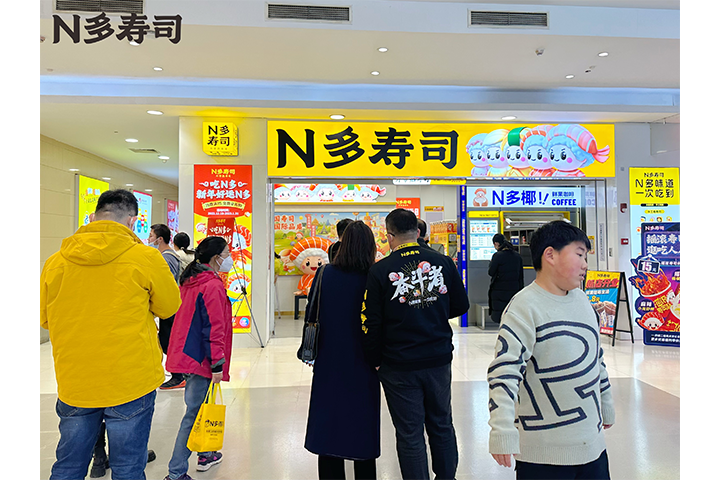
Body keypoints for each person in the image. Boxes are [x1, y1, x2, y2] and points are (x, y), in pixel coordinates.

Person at [41, 189, 181, 480]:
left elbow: (45, 319)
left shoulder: (56, 261)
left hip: (76, 379)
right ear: (132, 221)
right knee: (128, 468)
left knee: (68, 466)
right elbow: (169, 307)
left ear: (93, 217)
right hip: (131, 378)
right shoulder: (146, 257)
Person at [487, 220, 615, 479]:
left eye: (586, 257)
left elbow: (596, 359)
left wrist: (606, 402)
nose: (585, 264)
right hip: (542, 454)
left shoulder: (583, 301)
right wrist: (501, 429)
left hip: (592, 447)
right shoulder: (524, 306)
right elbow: (505, 372)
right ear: (550, 255)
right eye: (579, 254)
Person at [361, 209, 470, 480]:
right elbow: (461, 304)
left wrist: (374, 359)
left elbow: (371, 321)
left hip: (398, 363)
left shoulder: (380, 270)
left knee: (410, 433)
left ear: (389, 236)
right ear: (418, 232)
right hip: (438, 357)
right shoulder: (443, 262)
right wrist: (431, 310)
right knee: (442, 423)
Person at [303, 221, 381, 480]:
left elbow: (312, 312)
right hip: (364, 361)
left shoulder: (325, 273)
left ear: (342, 244)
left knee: (329, 425)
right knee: (362, 427)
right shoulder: (375, 275)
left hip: (329, 359)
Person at [164, 236, 234, 480]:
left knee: (202, 407)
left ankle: (206, 453)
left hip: (187, 352)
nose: (229, 258)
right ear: (216, 258)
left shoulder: (191, 280)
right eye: (227, 254)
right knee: (193, 414)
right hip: (201, 358)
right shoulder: (211, 285)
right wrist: (217, 363)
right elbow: (214, 327)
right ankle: (176, 472)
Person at [488, 233, 524, 324]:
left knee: (500, 317)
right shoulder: (517, 256)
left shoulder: (497, 256)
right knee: (511, 317)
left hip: (499, 291)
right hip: (514, 291)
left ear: (496, 243)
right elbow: (521, 276)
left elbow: (491, 272)